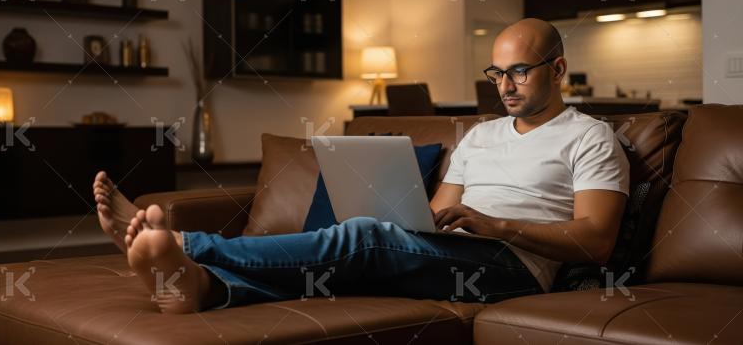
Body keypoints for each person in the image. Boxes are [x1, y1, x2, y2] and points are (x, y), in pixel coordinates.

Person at [92, 18, 629, 314]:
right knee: (350, 266)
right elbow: (439, 213)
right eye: (496, 73)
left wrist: (497, 226)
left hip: (516, 270)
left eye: (519, 72)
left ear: (557, 68)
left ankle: (193, 246)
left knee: (362, 239)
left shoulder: (590, 137)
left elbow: (597, 240)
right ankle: (204, 288)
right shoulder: (480, 136)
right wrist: (418, 219)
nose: (504, 87)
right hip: (461, 254)